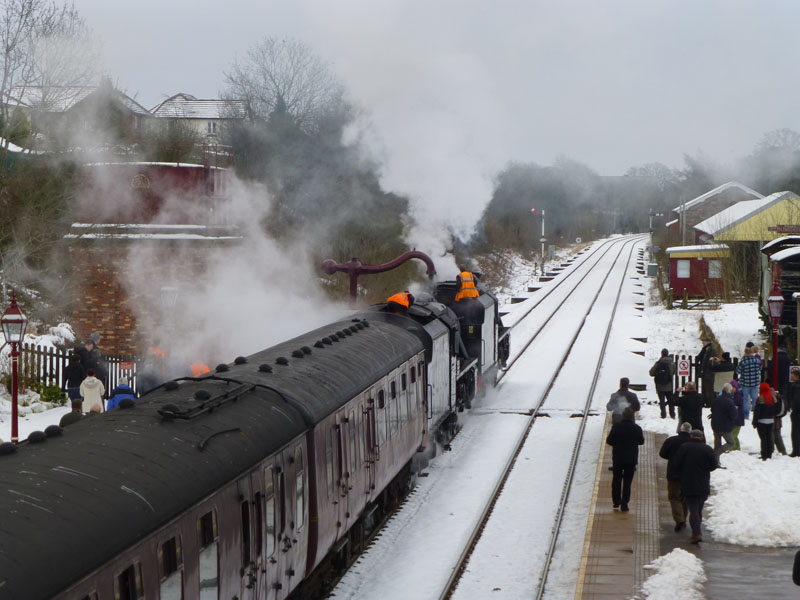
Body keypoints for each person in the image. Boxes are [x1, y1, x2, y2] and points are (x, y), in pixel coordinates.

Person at [673, 429, 719, 544]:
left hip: (688, 483)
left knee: (693, 509)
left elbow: (676, 463)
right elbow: (714, 465)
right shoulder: (707, 449)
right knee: (698, 509)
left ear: (691, 436)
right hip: (703, 483)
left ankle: (697, 533)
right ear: (702, 437)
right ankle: (696, 530)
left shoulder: (684, 447)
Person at [605, 406, 644, 512]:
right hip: (631, 460)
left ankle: (616, 501)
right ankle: (624, 504)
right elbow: (641, 441)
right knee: (627, 482)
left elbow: (609, 441)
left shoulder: (616, 427)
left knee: (616, 479)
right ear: (632, 417)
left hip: (618, 458)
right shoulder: (637, 428)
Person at [659, 421, 692, 532]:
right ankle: (683, 517)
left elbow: (662, 453)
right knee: (685, 497)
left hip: (673, 473)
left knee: (674, 497)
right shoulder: (692, 443)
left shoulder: (671, 440)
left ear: (680, 429)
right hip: (688, 475)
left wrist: (672, 457)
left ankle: (679, 519)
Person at [753, 381, 779, 460]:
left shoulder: (760, 399)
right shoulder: (773, 398)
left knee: (763, 438)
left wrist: (754, 422)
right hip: (771, 421)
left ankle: (764, 454)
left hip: (761, 421)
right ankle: (769, 453)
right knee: (769, 437)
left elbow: (757, 412)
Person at [710, 382, 737, 456]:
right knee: (731, 443)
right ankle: (715, 453)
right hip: (725, 426)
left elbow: (712, 410)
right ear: (729, 391)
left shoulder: (716, 399)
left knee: (717, 444)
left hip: (715, 424)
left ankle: (715, 461)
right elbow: (734, 415)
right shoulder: (730, 402)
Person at [649, 349, 676, 419]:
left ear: (661, 354)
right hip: (669, 385)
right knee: (670, 400)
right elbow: (674, 372)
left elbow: (651, 373)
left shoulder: (658, 363)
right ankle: (672, 414)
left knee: (662, 401)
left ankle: (663, 414)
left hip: (660, 385)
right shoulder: (672, 363)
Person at [736, 346, 761, 419]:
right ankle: (757, 414)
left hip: (745, 383)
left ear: (745, 353)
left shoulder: (743, 362)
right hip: (755, 382)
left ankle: (746, 415)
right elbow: (760, 368)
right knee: (755, 399)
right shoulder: (757, 360)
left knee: (745, 399)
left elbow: (738, 371)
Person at [695, 339, 717, 405]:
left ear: (707, 342)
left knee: (709, 389)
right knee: (704, 388)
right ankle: (705, 401)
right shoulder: (705, 349)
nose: (702, 342)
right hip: (704, 373)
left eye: (704, 341)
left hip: (708, 373)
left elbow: (711, 361)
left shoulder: (711, 350)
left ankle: (709, 402)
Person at [730, 379, 746, 451]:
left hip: (738, 419)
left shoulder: (738, 395)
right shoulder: (732, 395)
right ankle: (737, 448)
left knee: (733, 435)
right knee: (734, 435)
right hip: (734, 419)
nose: (731, 389)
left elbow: (736, 403)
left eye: (733, 387)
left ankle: (732, 448)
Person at [789, 367, 800, 457]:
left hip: (797, 412)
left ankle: (796, 451)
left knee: (795, 432)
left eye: (793, 376)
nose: (791, 378)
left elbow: (796, 400)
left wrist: (792, 406)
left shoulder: (795, 386)